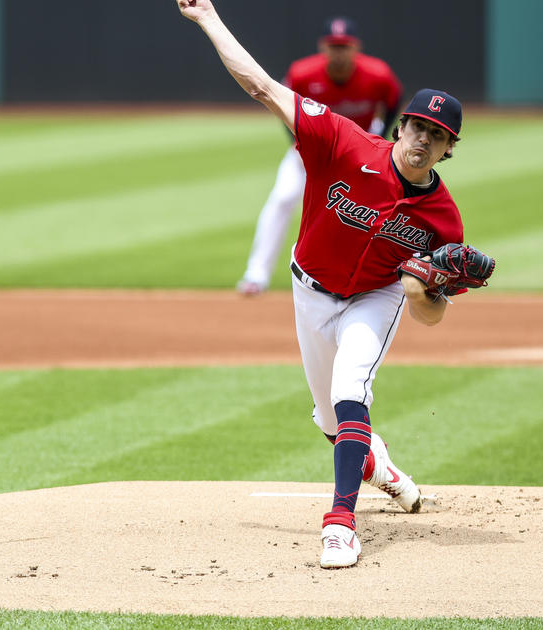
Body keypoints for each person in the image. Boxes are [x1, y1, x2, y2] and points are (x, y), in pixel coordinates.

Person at [175, 0, 493, 569]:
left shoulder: (443, 220)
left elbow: (431, 315)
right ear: (402, 125)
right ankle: (385, 470)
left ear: (450, 150)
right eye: (418, 126)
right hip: (309, 288)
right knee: (329, 420)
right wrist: (207, 19)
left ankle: (341, 524)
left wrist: (424, 287)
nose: (423, 139)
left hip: (377, 297)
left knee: (353, 390)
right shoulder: (342, 143)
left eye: (437, 135)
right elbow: (262, 88)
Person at [237, 16, 402, 296]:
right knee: (283, 198)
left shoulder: (378, 75)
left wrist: (380, 136)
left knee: (364, 214)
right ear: (323, 47)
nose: (339, 52)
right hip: (309, 154)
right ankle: (256, 274)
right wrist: (300, 142)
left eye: (344, 46)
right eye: (333, 46)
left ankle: (366, 278)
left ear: (355, 47)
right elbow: (281, 105)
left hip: (357, 161)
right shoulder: (302, 73)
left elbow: (394, 99)